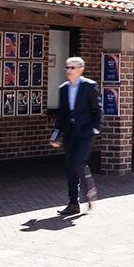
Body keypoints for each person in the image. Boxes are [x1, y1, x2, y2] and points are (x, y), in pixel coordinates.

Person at [50, 56, 101, 214]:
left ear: (81, 69)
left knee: (78, 162)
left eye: (72, 67)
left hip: (85, 132)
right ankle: (73, 203)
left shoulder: (89, 86)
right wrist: (55, 135)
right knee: (71, 166)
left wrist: (94, 128)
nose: (69, 70)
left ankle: (89, 194)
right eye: (67, 67)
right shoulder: (63, 88)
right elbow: (62, 115)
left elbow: (97, 110)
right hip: (70, 132)